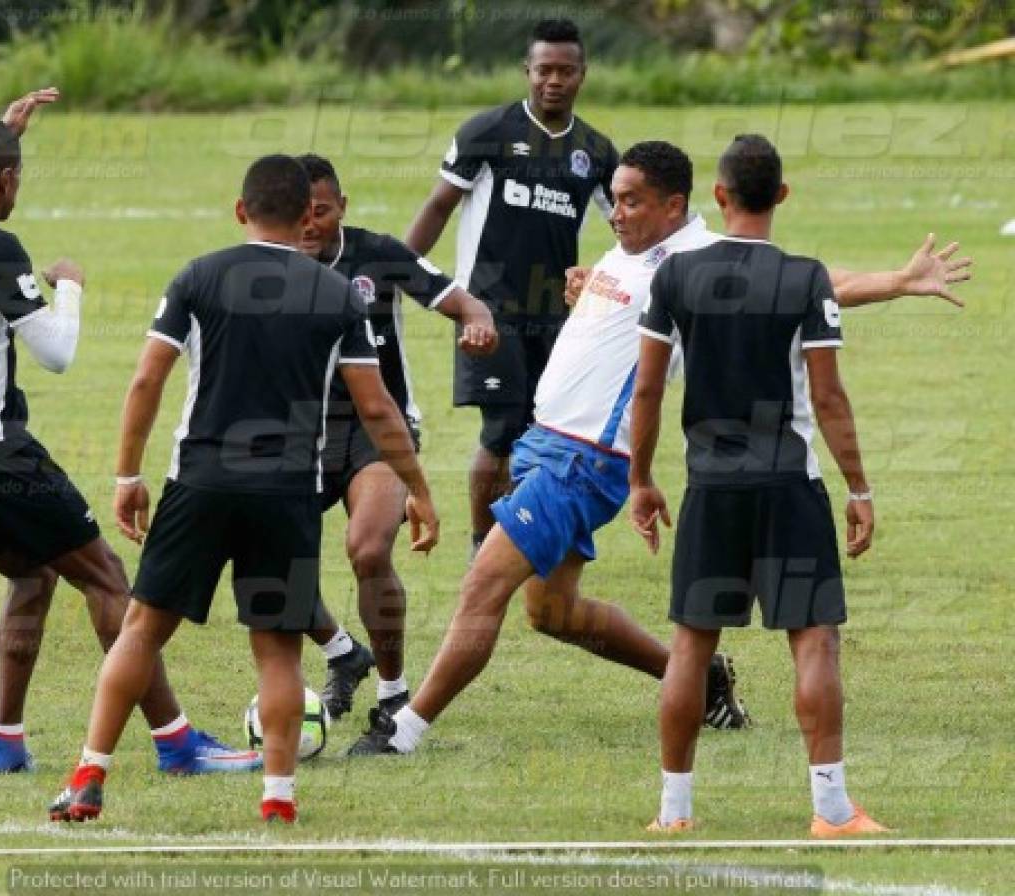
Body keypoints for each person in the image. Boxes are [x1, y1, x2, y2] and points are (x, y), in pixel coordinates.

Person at [347, 140, 970, 758]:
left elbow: (814, 281)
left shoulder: (698, 255)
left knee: (483, 584)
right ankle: (698, 677)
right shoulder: (630, 248)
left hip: (583, 459)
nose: (617, 213)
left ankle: (404, 730)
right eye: (614, 200)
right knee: (554, 613)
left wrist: (900, 281)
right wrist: (590, 287)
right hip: (544, 442)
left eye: (632, 202)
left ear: (675, 205)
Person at [48, 155, 438, 825]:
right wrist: (418, 488)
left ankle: (89, 773)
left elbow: (146, 381)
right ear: (307, 215)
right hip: (286, 494)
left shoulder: (199, 276)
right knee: (278, 650)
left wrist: (127, 476)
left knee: (141, 632)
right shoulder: (337, 295)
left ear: (240, 211)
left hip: (199, 482)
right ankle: (279, 798)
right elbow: (377, 409)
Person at [0, 88, 256, 776]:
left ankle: (5, 744)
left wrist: (6, 133)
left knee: (33, 576)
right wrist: (71, 286)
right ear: (3, 181)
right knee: (106, 577)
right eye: (14, 175)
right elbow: (56, 353)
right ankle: (177, 744)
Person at [630, 134, 889, 837]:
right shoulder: (807, 279)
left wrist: (641, 479)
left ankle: (674, 812)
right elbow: (829, 401)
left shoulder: (675, 278)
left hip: (709, 487)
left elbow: (647, 391)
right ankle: (832, 810)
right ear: (780, 195)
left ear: (719, 196)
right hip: (787, 485)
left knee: (692, 646)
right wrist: (859, 489)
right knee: (813, 642)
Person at [405, 18, 619, 557]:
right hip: (489, 311)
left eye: (565, 71)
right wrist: (399, 270)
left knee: (542, 432)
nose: (553, 80)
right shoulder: (488, 132)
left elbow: (628, 228)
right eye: (543, 69)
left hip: (558, 318)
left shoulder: (594, 150)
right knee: (501, 432)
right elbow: (438, 206)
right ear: (527, 71)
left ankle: (523, 542)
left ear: (582, 75)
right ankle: (484, 548)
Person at [295, 153, 497, 720]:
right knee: (269, 561)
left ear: (342, 208)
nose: (310, 224)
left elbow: (458, 297)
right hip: (299, 430)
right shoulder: (271, 267)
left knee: (368, 548)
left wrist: (477, 320)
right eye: (299, 212)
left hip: (378, 428)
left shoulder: (376, 254)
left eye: (322, 212)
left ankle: (392, 692)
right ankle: (342, 654)